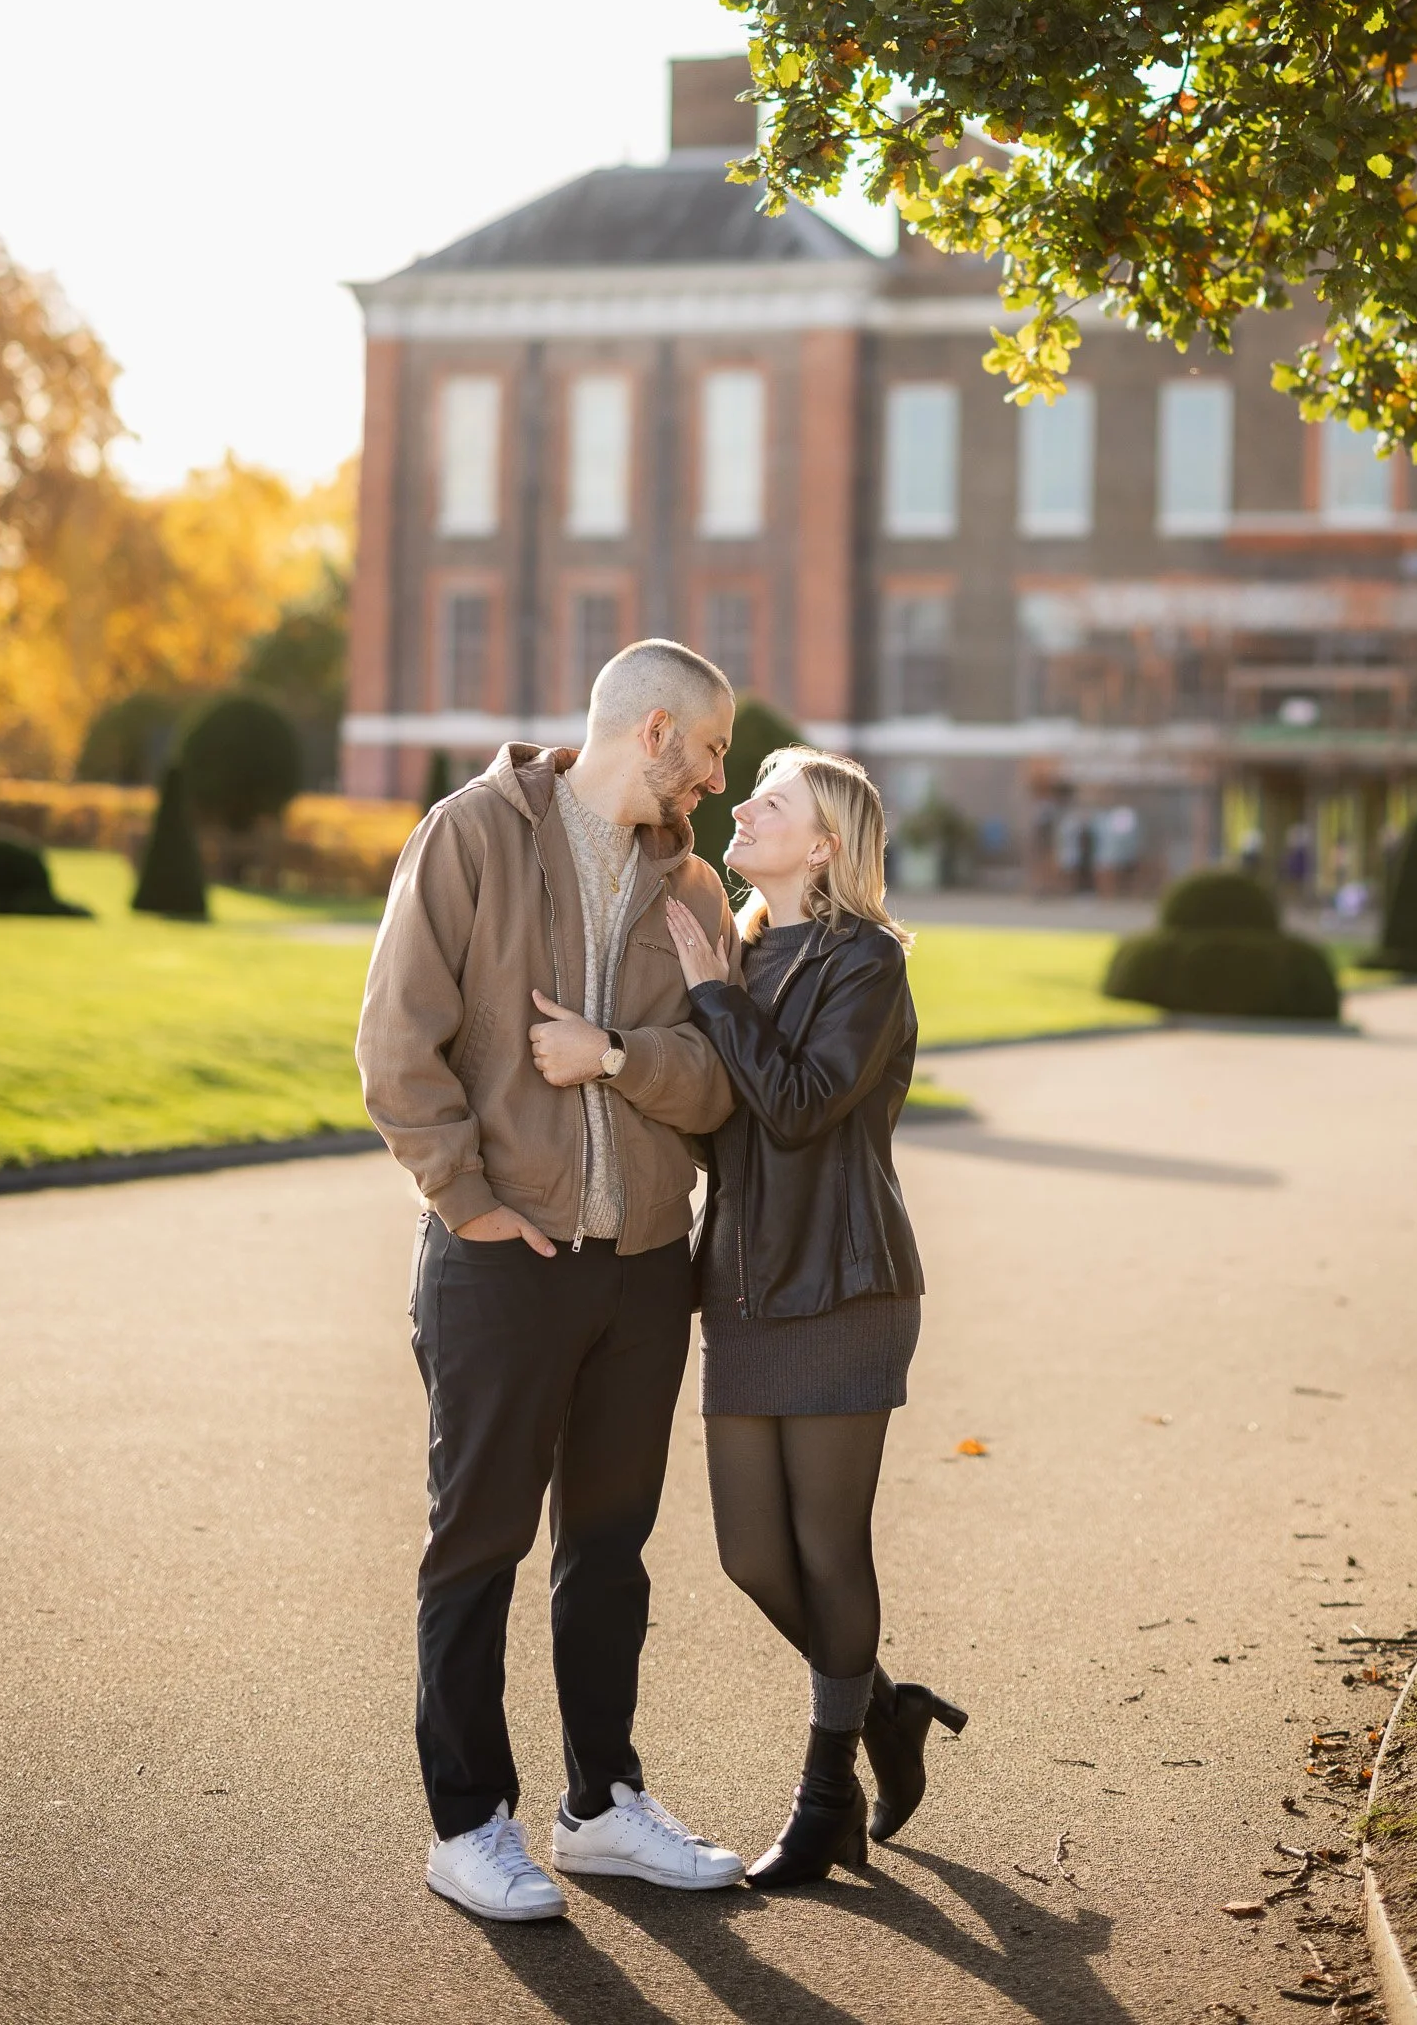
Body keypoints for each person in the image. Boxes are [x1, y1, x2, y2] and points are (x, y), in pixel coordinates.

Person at [357, 640, 746, 1923]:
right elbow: (397, 1039)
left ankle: (600, 1806)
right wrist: (465, 1201)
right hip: (500, 1261)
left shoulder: (688, 889)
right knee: (478, 1541)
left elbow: (714, 1079)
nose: (717, 776)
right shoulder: (469, 834)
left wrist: (619, 1056)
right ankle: (469, 1820)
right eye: (709, 748)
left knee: (611, 1547)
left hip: (642, 1269)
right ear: (652, 734)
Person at [664, 747, 965, 1892]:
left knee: (829, 1548)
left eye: (771, 801)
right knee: (752, 1556)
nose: (743, 806)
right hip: (742, 1285)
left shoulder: (867, 962)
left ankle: (826, 1797)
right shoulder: (736, 947)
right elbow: (715, 1116)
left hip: (844, 1283)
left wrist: (711, 996)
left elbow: (792, 1108)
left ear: (826, 844)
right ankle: (888, 1713)